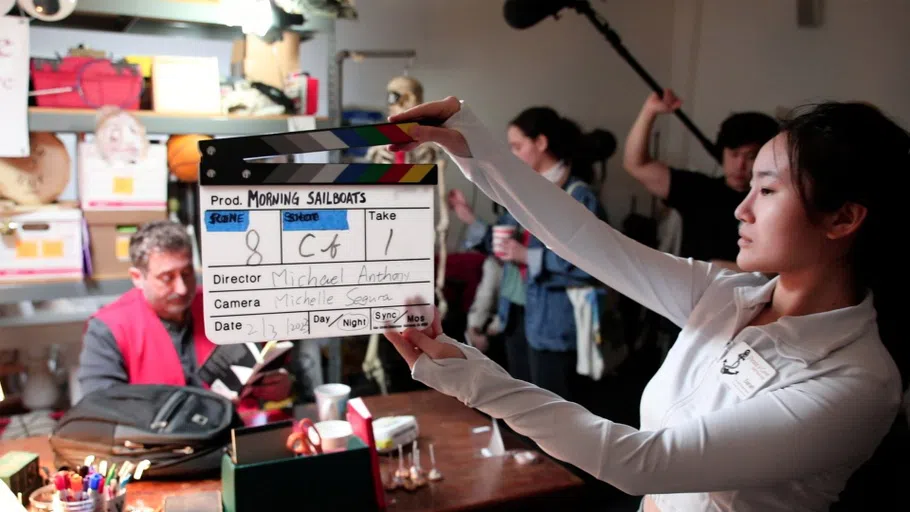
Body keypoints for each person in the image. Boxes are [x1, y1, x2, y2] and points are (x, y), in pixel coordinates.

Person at [381, 96, 907, 511]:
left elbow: (639, 462)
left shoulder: (857, 383)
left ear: (843, 219)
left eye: (767, 191)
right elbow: (590, 242)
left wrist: (471, 377)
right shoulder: (727, 296)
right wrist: (475, 145)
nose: (741, 211)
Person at [448, 106, 610, 400]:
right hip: (517, 316)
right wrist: (469, 218)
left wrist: (527, 257)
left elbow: (593, 265)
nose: (512, 154)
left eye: (517, 146)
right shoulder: (525, 191)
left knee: (555, 410)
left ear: (541, 143)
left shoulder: (578, 196)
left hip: (553, 324)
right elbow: (503, 247)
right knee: (525, 405)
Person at [77, 220, 293, 407]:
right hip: (156, 446)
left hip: (236, 434)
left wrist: (279, 385)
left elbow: (268, 371)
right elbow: (101, 407)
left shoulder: (224, 306)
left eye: (187, 273)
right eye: (167, 278)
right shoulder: (108, 329)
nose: (181, 288)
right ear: (137, 277)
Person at [624, 89, 779, 270]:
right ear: (722, 152)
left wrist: (736, 271)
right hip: (691, 294)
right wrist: (649, 111)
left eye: (751, 156)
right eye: (734, 154)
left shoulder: (774, 203)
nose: (740, 165)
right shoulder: (698, 189)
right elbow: (636, 165)